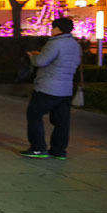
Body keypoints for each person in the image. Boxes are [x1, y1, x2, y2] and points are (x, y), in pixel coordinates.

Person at [21, 17, 82, 159]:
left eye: (52, 28)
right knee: (62, 121)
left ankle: (38, 148)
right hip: (66, 88)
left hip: (48, 87)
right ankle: (59, 151)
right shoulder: (75, 44)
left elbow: (41, 62)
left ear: (56, 29)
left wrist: (32, 57)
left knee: (34, 114)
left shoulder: (54, 43)